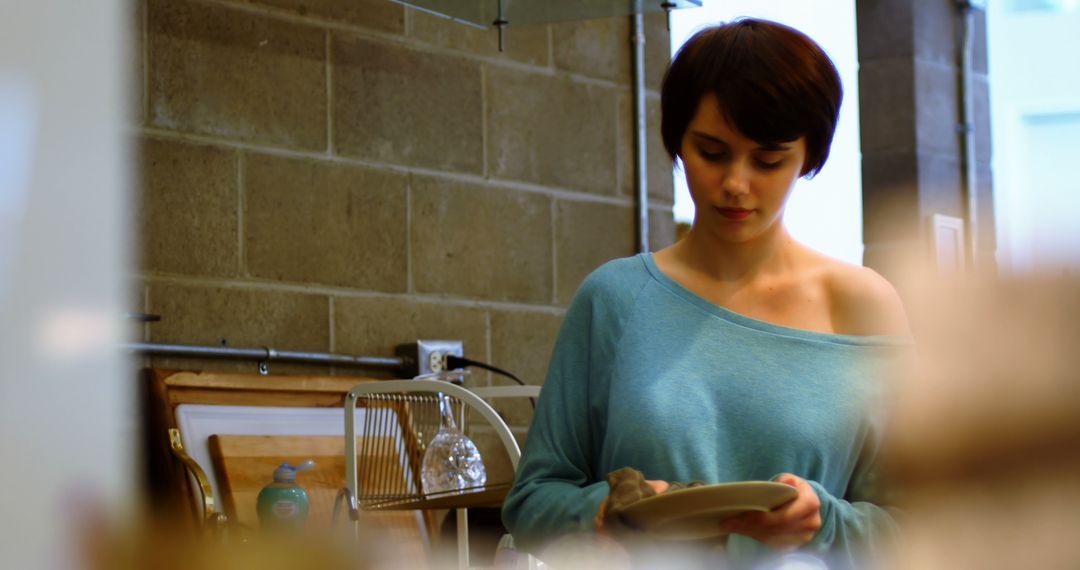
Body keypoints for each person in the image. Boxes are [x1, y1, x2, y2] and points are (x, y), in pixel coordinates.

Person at [500, 17, 913, 569]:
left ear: (809, 156)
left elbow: (919, 524)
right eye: (712, 152)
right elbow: (531, 502)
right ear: (677, 141)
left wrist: (825, 521)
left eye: (768, 161)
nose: (736, 183)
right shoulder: (615, 299)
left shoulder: (864, 306)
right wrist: (608, 510)